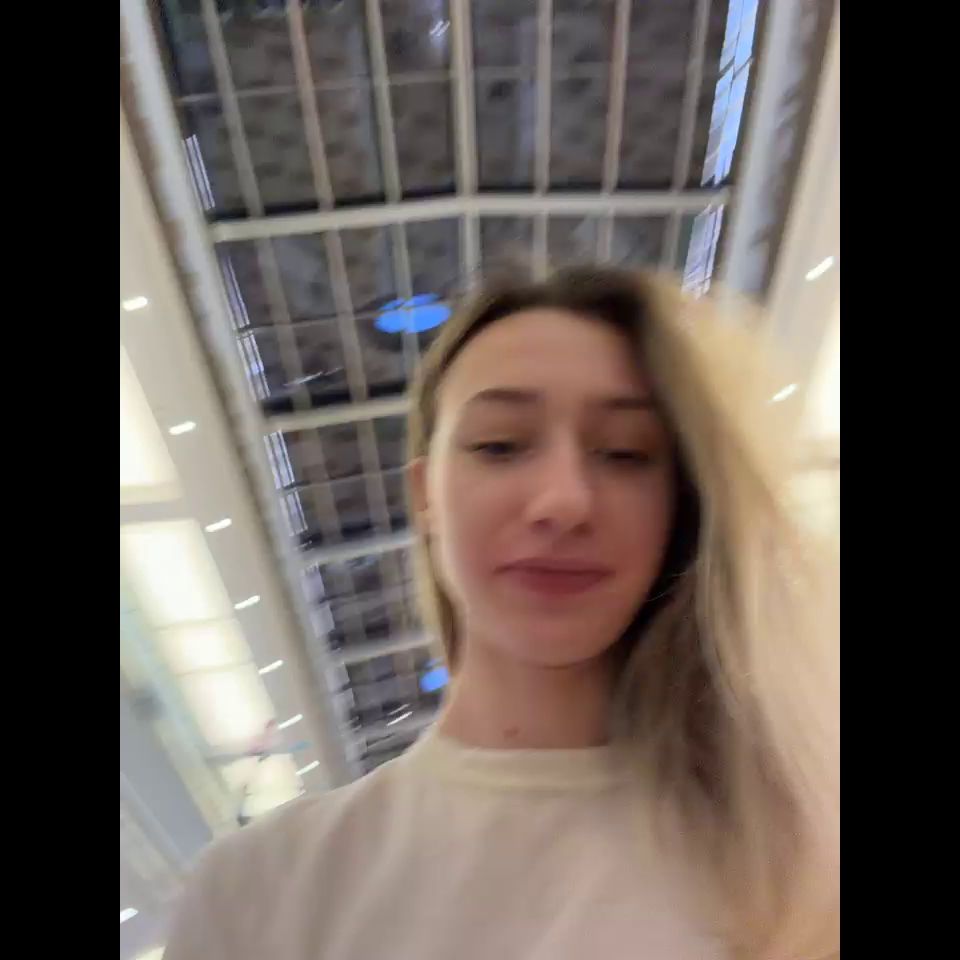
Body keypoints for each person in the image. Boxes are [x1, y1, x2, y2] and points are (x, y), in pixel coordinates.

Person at [164, 267, 839, 960]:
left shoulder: (797, 869)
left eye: (626, 453)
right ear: (426, 496)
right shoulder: (259, 890)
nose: (563, 500)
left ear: (680, 506)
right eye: (499, 445)